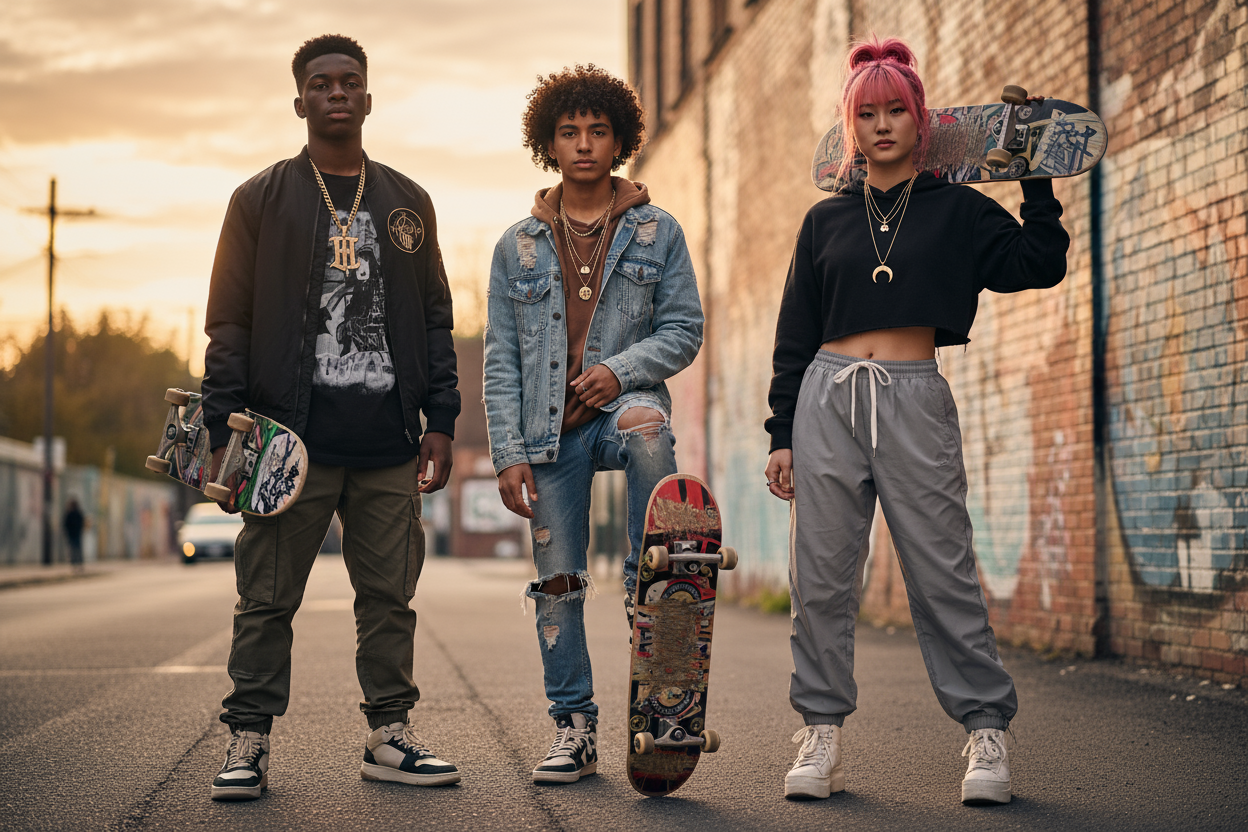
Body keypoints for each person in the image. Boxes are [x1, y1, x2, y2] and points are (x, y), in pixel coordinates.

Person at [764, 36, 1069, 805]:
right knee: (822, 580)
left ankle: (985, 734)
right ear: (851, 125)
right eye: (866, 112)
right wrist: (779, 433)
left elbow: (1040, 261)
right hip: (825, 398)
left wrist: (1031, 170)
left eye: (897, 109)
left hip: (913, 395)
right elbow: (794, 331)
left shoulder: (959, 211)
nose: (882, 124)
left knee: (943, 573)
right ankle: (821, 731)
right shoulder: (824, 222)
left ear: (921, 119)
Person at [201, 34, 461, 801]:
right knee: (266, 597)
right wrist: (224, 430)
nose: (337, 93)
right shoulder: (259, 199)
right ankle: (248, 740)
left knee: (390, 597)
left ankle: (390, 735)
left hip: (386, 441)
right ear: (301, 102)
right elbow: (229, 323)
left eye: (350, 82)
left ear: (368, 100)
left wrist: (440, 417)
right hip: (289, 444)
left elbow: (437, 317)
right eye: (322, 84)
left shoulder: (408, 202)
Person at [483, 65, 703, 784]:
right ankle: (573, 728)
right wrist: (508, 451)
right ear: (549, 143)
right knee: (557, 582)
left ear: (619, 140)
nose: (584, 144)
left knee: (647, 428)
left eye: (597, 131)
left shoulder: (656, 230)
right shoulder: (516, 246)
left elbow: (684, 329)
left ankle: (657, 576)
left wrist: (622, 369)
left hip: (620, 410)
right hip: (548, 433)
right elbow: (502, 360)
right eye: (569, 132)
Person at [62, 499, 85, 572]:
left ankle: (75, 564)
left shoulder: (70, 513)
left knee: (73, 550)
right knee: (77, 550)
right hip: (75, 534)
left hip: (73, 534)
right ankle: (78, 564)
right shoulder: (77, 513)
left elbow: (65, 524)